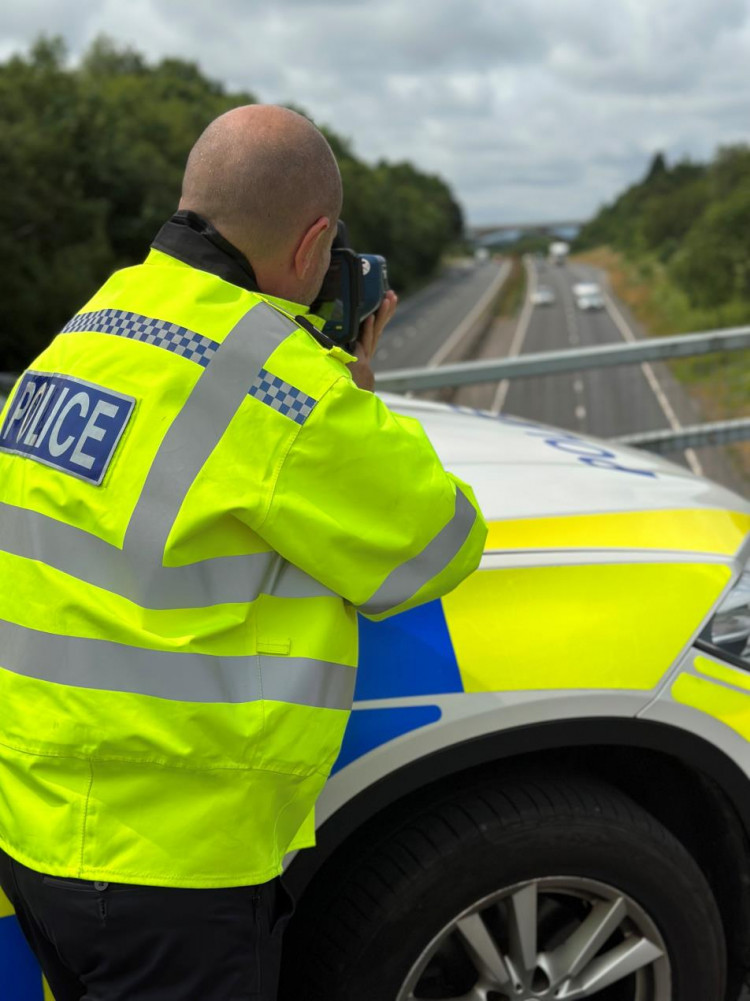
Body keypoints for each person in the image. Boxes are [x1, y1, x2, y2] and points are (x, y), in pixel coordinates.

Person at [0, 105, 487, 1000]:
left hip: (37, 828)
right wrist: (356, 395)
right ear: (314, 247)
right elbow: (438, 544)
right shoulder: (281, 384)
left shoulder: (92, 326)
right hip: (172, 861)